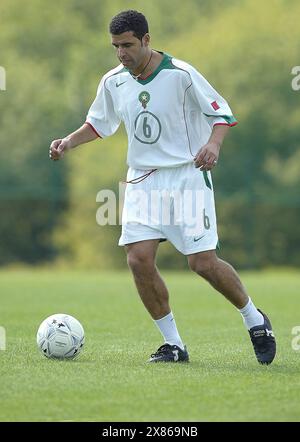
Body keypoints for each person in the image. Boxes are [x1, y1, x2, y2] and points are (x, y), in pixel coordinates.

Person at [49, 10, 276, 364]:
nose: (121, 53)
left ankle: (254, 319)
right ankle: (174, 345)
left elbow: (222, 114)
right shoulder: (113, 81)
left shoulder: (181, 74)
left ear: (146, 40)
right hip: (142, 179)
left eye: (127, 45)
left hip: (186, 176)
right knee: (138, 259)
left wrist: (213, 146)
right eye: (115, 47)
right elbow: (98, 124)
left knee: (202, 263)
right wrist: (68, 142)